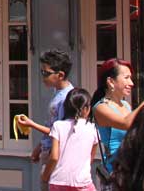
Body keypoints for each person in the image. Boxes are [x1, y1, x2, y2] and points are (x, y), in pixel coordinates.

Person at [90, 59, 144, 187]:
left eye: (131, 78)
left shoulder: (125, 105)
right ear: (111, 81)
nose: (131, 83)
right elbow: (126, 123)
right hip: (116, 173)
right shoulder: (100, 108)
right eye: (127, 78)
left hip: (132, 169)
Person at [17, 49, 75, 189]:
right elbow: (52, 125)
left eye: (46, 73)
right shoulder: (58, 92)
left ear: (60, 75)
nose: (42, 76)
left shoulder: (67, 98)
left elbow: (59, 133)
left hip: (55, 156)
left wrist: (31, 124)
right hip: (48, 150)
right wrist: (39, 147)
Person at [41, 88, 97, 191]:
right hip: (82, 182)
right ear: (86, 109)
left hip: (58, 182)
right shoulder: (93, 129)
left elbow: (54, 157)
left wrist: (45, 176)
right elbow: (90, 158)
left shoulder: (58, 126)